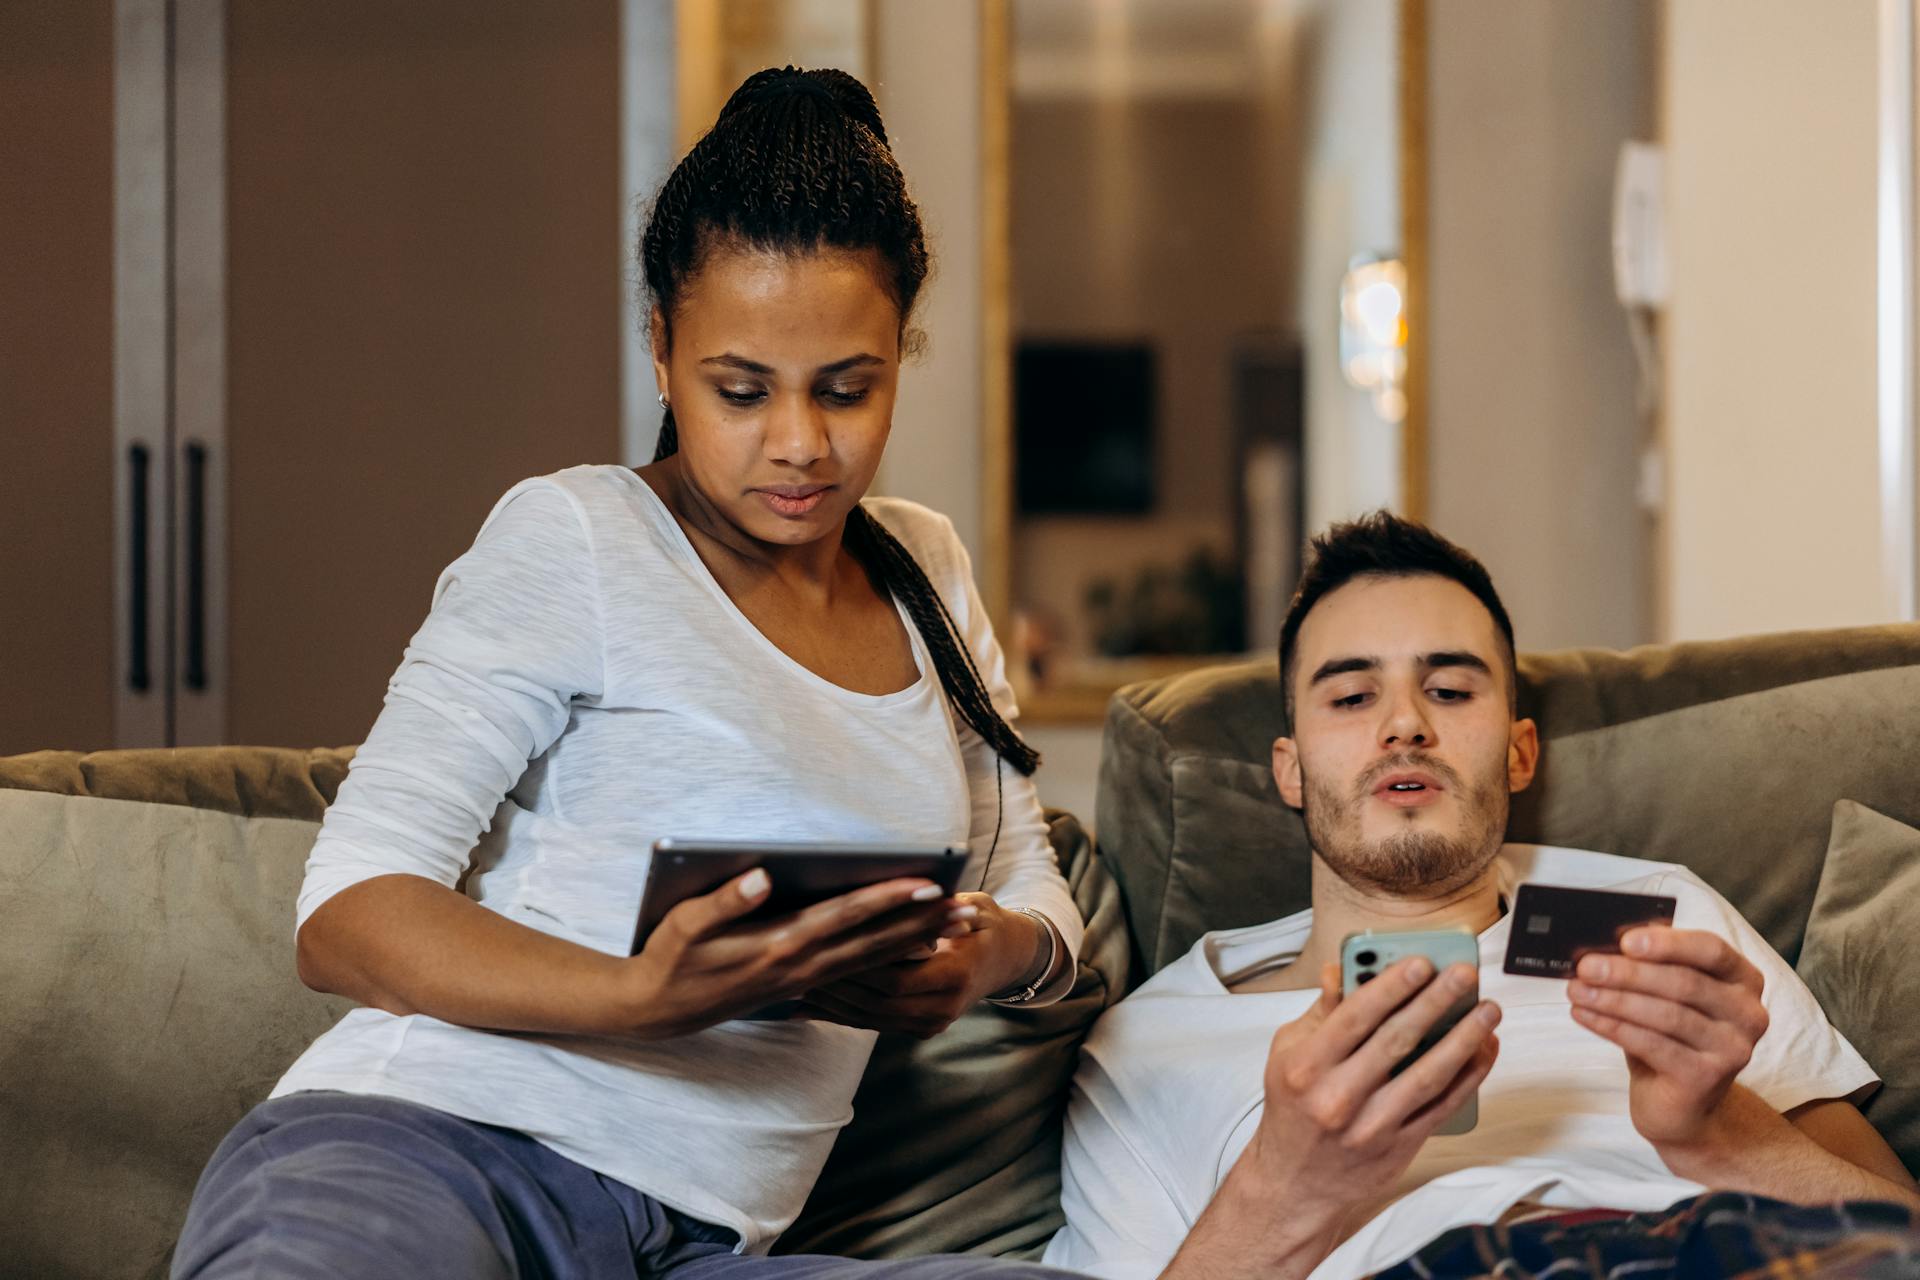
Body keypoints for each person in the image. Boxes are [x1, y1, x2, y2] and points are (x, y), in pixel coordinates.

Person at [172, 67, 1086, 1280]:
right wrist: (643, 994)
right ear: (662, 347)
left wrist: (991, 949)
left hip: (701, 1241)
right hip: (443, 1150)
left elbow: (1031, 878)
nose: (801, 442)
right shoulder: (581, 535)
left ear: (901, 351)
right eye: (742, 388)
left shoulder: (927, 569)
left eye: (848, 388)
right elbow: (347, 908)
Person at [1044, 513, 1920, 1280]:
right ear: (1290, 771)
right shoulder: (1148, 1041)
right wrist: (1286, 1185)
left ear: (1518, 752)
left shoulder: (1660, 916)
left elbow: (1898, 1233)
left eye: (1450, 690)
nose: (1404, 724)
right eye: (1352, 695)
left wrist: (1716, 1131)